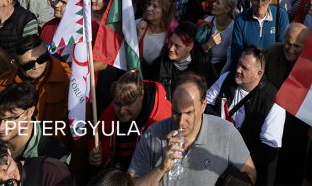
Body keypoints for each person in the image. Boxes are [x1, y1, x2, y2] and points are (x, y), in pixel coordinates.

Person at [128, 72, 256, 186]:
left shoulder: (226, 133)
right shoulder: (152, 134)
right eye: (176, 112)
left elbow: (250, 175)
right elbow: (132, 183)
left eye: (189, 113)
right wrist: (161, 169)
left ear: (204, 105)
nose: (181, 122)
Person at [205, 46, 284, 184]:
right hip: (216, 163)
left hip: (247, 174)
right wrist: (219, 124)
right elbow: (205, 105)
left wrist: (233, 141)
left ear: (259, 73)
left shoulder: (274, 102)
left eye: (245, 68)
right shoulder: (226, 79)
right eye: (238, 64)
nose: (238, 70)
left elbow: (268, 150)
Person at [83, 69, 172, 176]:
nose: (121, 110)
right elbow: (96, 137)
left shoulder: (162, 118)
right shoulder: (111, 110)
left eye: (128, 104)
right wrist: (95, 155)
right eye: (118, 104)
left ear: (141, 96)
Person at [0, 35, 71, 125]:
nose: (37, 66)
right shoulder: (3, 83)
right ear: (15, 64)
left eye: (42, 59)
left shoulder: (67, 78)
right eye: (29, 65)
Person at [230, 0, 289, 67]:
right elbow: (236, 52)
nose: (260, 4)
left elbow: (283, 48)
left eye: (264, 0)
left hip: (272, 68)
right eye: (256, 0)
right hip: (249, 69)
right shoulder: (241, 19)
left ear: (269, 0)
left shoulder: (280, 15)